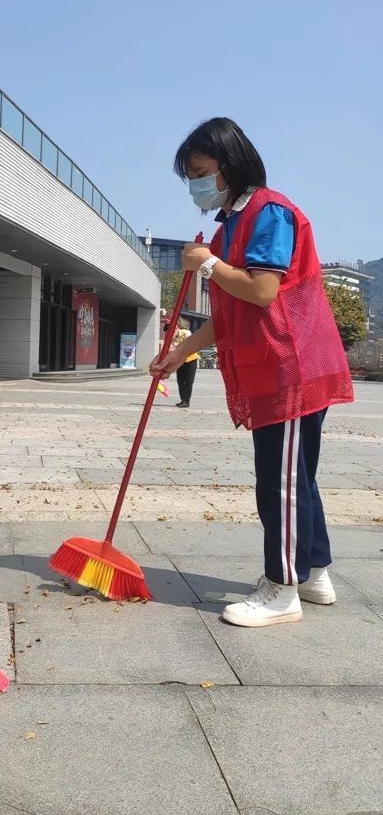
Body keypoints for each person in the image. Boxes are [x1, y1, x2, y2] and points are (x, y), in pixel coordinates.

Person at [150, 117, 353, 628]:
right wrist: (179, 353)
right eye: (189, 175)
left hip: (290, 365)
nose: (195, 183)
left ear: (229, 164)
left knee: (279, 481)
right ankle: (314, 572)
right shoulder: (233, 223)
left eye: (200, 171)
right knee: (297, 475)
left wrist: (207, 265)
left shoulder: (268, 211)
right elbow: (231, 315)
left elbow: (262, 291)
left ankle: (282, 588)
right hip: (282, 363)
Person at [172, 317, 199, 407]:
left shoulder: (186, 332)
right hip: (180, 361)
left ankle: (186, 401)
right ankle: (182, 399)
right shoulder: (173, 338)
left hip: (191, 360)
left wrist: (178, 333)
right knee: (180, 381)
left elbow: (187, 335)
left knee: (188, 381)